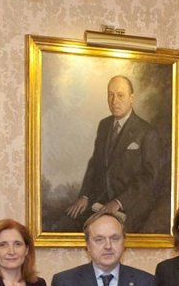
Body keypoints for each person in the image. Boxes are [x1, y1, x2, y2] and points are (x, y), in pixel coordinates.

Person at [64, 75, 165, 234]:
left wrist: (119, 202)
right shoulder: (104, 125)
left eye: (120, 95)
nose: (114, 101)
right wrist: (85, 196)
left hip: (131, 207)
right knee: (66, 225)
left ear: (131, 98)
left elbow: (149, 177)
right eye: (110, 95)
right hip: (99, 203)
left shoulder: (147, 132)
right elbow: (95, 163)